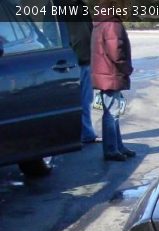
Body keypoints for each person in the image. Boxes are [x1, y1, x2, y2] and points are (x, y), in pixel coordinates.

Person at [91, 3, 135, 161]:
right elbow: (116, 51)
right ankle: (111, 149)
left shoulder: (101, 22)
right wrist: (126, 68)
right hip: (111, 74)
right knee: (111, 114)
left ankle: (117, 146)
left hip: (105, 74)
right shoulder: (112, 24)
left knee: (113, 112)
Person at [63, 1, 98, 144]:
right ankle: (77, 134)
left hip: (87, 61)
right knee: (73, 101)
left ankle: (87, 134)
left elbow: (91, 30)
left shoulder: (81, 4)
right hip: (71, 63)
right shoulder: (56, 6)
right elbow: (52, 34)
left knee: (87, 100)